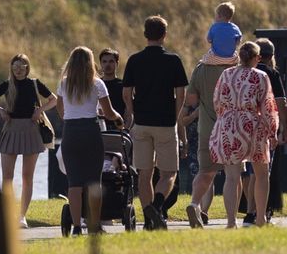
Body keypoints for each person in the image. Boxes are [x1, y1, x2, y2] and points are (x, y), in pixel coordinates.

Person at [122, 16, 188, 230]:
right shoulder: (173, 60)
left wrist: (132, 111)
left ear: (145, 34)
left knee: (144, 173)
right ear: (164, 35)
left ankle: (148, 218)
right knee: (169, 173)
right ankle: (157, 206)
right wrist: (177, 116)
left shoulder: (134, 60)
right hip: (166, 124)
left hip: (142, 123)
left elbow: (126, 92)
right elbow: (180, 93)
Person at [208, 42, 278, 228]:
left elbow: (217, 101)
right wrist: (272, 131)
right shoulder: (261, 76)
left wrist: (226, 118)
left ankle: (231, 221)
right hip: (252, 125)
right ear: (257, 58)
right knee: (261, 174)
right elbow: (268, 106)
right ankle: (261, 218)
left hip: (229, 124)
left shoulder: (226, 74)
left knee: (232, 176)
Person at [55, 47, 123, 236]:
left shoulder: (64, 84)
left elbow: (60, 110)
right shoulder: (97, 84)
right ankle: (94, 225)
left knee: (74, 183)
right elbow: (109, 113)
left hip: (71, 132)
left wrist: (70, 116)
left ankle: (77, 226)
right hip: (91, 132)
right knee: (94, 181)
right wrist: (118, 119)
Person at [0, 54, 57, 229]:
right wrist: (2, 111)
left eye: (22, 66)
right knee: (7, 177)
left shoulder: (34, 83)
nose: (18, 69)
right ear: (11, 67)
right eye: (15, 66)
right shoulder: (6, 85)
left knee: (27, 177)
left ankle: (21, 216)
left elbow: (53, 100)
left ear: (27, 67)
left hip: (31, 130)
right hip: (11, 130)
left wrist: (39, 110)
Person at [182, 56, 235, 229]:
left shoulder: (200, 70)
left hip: (205, 131)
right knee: (232, 176)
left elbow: (189, 101)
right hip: (230, 128)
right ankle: (229, 220)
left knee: (206, 173)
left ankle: (195, 204)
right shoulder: (237, 69)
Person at [242, 38, 287, 225]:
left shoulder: (239, 72)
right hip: (264, 127)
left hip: (241, 126)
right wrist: (284, 126)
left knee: (247, 173)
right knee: (261, 172)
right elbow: (280, 102)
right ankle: (255, 213)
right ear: (271, 56)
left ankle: (249, 211)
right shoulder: (271, 73)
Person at [99, 49, 125, 131]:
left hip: (119, 128)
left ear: (116, 64)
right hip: (100, 128)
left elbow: (129, 109)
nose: (107, 65)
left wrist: (126, 128)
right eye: (104, 62)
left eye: (111, 61)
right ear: (101, 64)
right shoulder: (96, 85)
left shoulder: (123, 85)